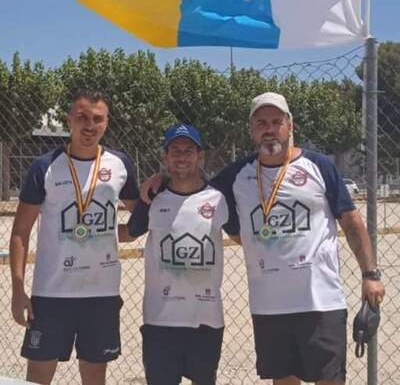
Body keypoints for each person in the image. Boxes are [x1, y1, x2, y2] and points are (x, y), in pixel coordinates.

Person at [142, 93, 385, 385]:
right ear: (252, 131)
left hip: (321, 301)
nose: (269, 129)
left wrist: (370, 274)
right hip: (269, 307)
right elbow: (194, 186)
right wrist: (163, 179)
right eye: (261, 123)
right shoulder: (237, 175)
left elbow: (352, 221)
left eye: (276, 122)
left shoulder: (318, 166)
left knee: (330, 380)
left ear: (289, 125)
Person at [10, 91, 139, 385]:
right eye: (82, 117)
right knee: (38, 376)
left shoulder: (120, 164)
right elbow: (20, 232)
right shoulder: (44, 166)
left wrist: (120, 233)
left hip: (102, 293)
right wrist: (18, 291)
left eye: (97, 119)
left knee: (94, 376)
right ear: (69, 120)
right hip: (52, 294)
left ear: (106, 123)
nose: (89, 126)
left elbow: (142, 214)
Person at [119, 123, 239, 385]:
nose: (182, 157)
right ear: (165, 156)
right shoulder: (152, 198)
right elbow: (129, 233)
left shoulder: (219, 199)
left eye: (188, 151)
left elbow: (242, 237)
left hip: (206, 319)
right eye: (175, 150)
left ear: (200, 156)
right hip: (160, 320)